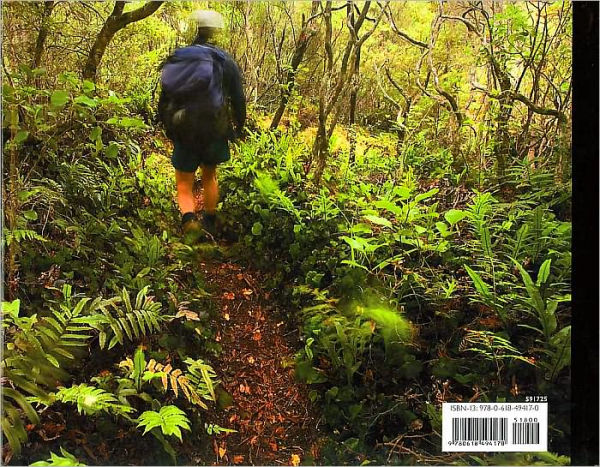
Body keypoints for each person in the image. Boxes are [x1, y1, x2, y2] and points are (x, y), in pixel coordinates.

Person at [158, 10, 246, 243]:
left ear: (194, 29)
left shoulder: (180, 56)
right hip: (214, 129)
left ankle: (189, 220)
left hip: (184, 128)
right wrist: (239, 128)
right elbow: (238, 98)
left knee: (183, 181)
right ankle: (209, 220)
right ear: (215, 32)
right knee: (209, 175)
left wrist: (169, 127)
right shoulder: (225, 60)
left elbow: (164, 97)